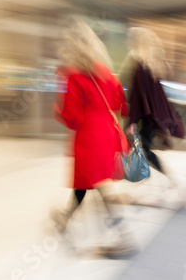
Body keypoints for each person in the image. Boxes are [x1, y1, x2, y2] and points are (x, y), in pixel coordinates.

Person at [51, 20, 133, 251]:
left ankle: (124, 237)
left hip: (89, 138)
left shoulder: (73, 75)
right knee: (85, 183)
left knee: (100, 185)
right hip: (107, 134)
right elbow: (120, 105)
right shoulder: (106, 72)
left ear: (71, 46)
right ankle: (65, 217)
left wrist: (58, 110)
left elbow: (72, 118)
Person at [121, 27, 186, 191]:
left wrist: (133, 121)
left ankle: (171, 180)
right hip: (151, 117)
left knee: (144, 150)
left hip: (144, 117)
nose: (128, 42)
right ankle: (163, 180)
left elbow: (138, 97)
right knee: (144, 149)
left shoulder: (140, 66)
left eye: (130, 39)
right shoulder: (152, 66)